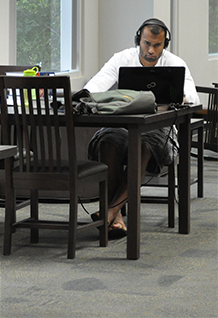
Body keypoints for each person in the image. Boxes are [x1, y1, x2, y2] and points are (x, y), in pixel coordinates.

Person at [84, 18, 200, 239]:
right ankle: (115, 215)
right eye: (146, 43)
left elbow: (193, 97)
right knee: (107, 141)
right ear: (139, 39)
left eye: (157, 45)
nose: (150, 50)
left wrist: (181, 96)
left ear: (164, 44)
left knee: (143, 145)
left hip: (160, 129)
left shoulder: (175, 63)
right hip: (122, 125)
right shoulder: (122, 59)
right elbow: (94, 88)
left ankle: (110, 210)